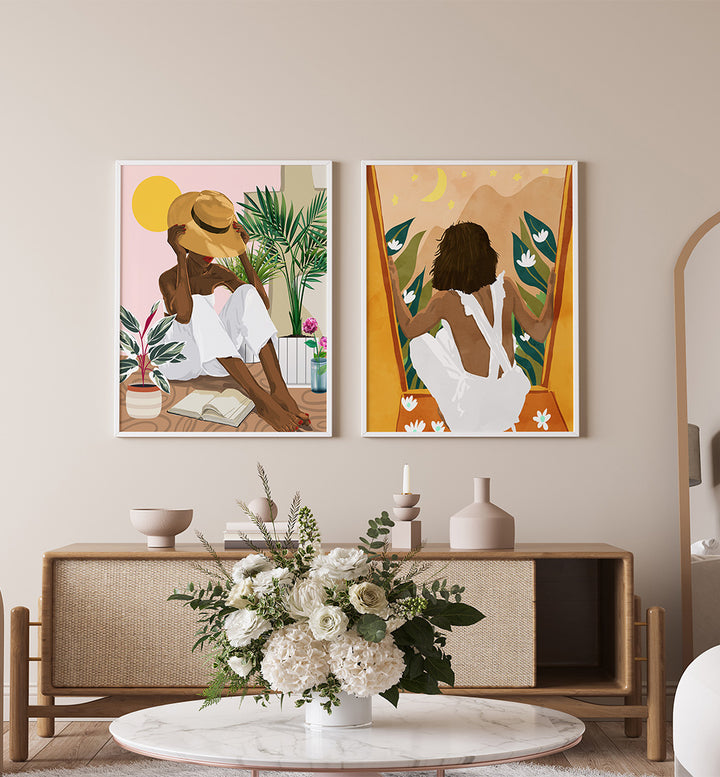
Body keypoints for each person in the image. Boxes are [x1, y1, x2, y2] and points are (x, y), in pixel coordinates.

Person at [158, 189, 310, 432]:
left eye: (216, 245)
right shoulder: (167, 278)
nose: (210, 252)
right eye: (203, 243)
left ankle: (279, 389)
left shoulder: (217, 273)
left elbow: (260, 304)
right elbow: (184, 315)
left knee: (246, 292)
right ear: (186, 242)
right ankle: (261, 399)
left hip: (214, 358)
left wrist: (242, 254)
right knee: (199, 309)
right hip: (182, 362)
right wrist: (179, 256)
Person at [387, 221, 556, 433]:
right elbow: (540, 333)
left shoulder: (445, 301)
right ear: (487, 255)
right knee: (447, 336)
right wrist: (551, 290)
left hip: (470, 413)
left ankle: (449, 409)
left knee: (421, 343)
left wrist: (393, 285)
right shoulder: (507, 287)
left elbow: (409, 329)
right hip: (510, 405)